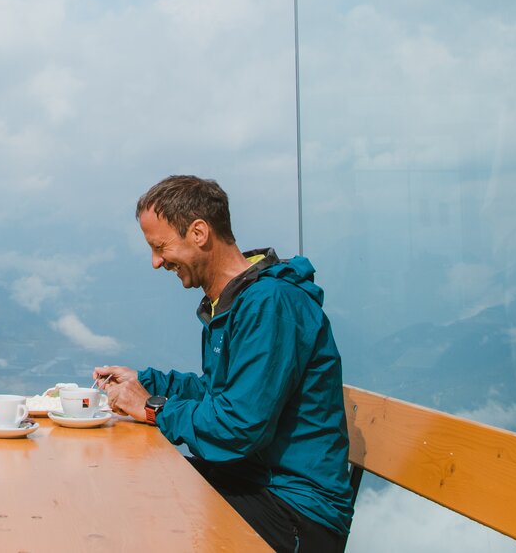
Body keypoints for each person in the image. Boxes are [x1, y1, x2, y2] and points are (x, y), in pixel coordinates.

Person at [94, 175, 353, 553]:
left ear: (199, 232)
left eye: (160, 246)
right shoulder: (231, 302)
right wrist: (146, 382)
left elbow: (240, 426)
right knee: (135, 490)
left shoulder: (270, 304)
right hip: (254, 485)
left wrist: (151, 408)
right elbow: (221, 393)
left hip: (297, 511)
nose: (155, 262)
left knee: (147, 517)